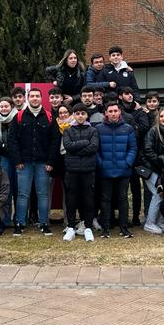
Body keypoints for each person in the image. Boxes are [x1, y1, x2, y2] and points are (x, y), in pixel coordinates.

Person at [8, 88, 59, 236]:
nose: (35, 98)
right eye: (32, 96)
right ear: (27, 98)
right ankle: (19, 223)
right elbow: (12, 140)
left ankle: (44, 223)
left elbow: (54, 141)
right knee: (23, 194)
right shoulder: (18, 117)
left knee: (42, 194)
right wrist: (17, 160)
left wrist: (50, 161)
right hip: (24, 163)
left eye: (37, 96)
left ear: (41, 98)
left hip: (43, 163)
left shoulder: (49, 117)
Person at [97, 101, 138, 238]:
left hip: (123, 170)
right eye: (110, 111)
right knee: (105, 199)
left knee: (123, 199)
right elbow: (96, 150)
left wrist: (128, 162)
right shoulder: (99, 128)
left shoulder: (128, 128)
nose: (113, 113)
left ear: (120, 112)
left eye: (116, 111)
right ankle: (106, 228)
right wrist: (101, 163)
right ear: (106, 113)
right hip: (105, 170)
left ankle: (124, 228)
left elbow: (133, 148)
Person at [62, 103, 99, 242]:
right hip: (72, 170)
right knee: (71, 200)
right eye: (77, 114)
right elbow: (68, 147)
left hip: (88, 170)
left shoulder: (93, 131)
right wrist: (85, 143)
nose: (80, 116)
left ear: (86, 115)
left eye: (83, 113)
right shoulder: (68, 131)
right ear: (74, 115)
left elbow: (94, 147)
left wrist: (76, 149)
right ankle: (71, 227)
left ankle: (88, 227)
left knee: (88, 199)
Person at [141, 107, 164, 234]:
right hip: (151, 168)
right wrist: (162, 164)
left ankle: (160, 222)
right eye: (161, 116)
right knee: (157, 194)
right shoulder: (153, 131)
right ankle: (150, 223)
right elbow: (148, 151)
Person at [118, 87, 149, 226]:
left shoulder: (139, 111)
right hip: (120, 155)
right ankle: (121, 216)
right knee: (121, 189)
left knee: (136, 188)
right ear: (120, 96)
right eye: (126, 94)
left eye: (131, 93)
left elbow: (143, 129)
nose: (129, 96)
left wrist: (136, 117)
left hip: (136, 155)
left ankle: (136, 216)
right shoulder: (117, 111)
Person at [0, 97, 18, 226]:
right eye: (1, 106)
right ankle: (6, 219)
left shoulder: (18, 118)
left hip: (18, 159)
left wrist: (4, 146)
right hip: (4, 158)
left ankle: (19, 219)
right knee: (6, 189)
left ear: (11, 106)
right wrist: (2, 146)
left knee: (19, 190)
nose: (4, 108)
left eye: (6, 106)